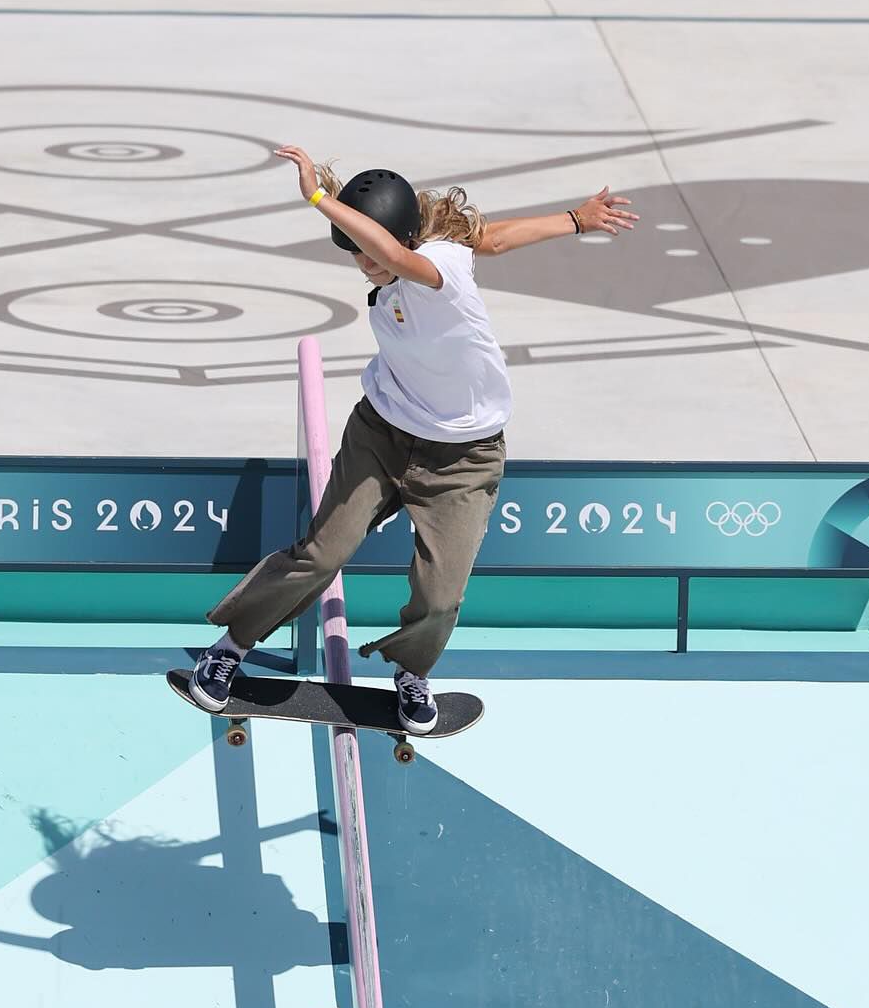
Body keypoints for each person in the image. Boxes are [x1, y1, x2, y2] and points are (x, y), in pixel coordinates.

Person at [189, 146, 638, 733]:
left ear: (398, 238)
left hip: (463, 458)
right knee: (320, 556)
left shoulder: (435, 269)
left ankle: (411, 672)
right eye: (355, 254)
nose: (365, 265)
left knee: (441, 592)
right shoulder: (436, 251)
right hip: (381, 434)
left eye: (368, 251)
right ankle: (230, 647)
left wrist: (318, 197)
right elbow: (494, 239)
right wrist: (575, 219)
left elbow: (401, 254)